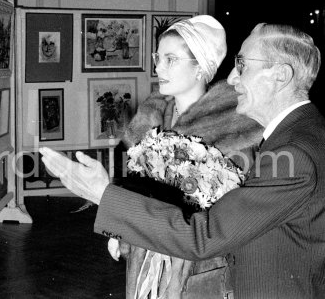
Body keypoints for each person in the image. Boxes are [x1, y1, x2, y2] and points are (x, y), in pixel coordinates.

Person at [40, 23, 325, 298]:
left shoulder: (294, 154)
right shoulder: (300, 134)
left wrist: (102, 195)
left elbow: (205, 235)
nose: (232, 78)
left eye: (243, 65)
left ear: (280, 76)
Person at [109, 15, 262, 298]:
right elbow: (132, 187)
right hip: (145, 260)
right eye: (158, 57)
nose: (158, 68)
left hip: (199, 265)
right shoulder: (149, 119)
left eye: (171, 59)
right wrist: (120, 231)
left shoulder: (233, 127)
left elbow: (233, 215)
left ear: (200, 68)